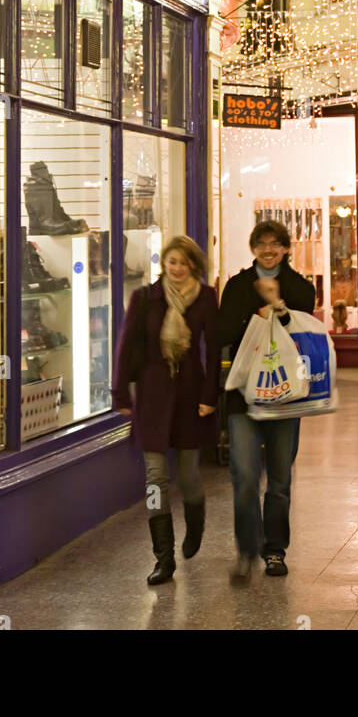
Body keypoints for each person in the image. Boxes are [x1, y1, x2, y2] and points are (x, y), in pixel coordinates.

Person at [112, 236, 219, 586]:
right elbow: (125, 348)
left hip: (190, 399)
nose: (176, 268)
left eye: (183, 262)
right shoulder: (144, 299)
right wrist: (121, 396)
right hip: (153, 399)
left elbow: (213, 350)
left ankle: (195, 522)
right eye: (171, 261)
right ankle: (163, 558)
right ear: (164, 263)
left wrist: (209, 396)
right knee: (155, 480)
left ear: (193, 265)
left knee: (188, 479)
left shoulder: (205, 298)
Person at [218, 219, 317, 582]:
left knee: (278, 479)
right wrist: (254, 318)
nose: (269, 249)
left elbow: (306, 332)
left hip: (286, 395)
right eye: (261, 243)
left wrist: (278, 304)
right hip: (244, 396)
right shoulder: (236, 286)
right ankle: (246, 549)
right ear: (253, 248)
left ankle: (274, 550)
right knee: (244, 476)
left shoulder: (301, 288)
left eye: (276, 243)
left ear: (287, 248)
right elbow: (220, 334)